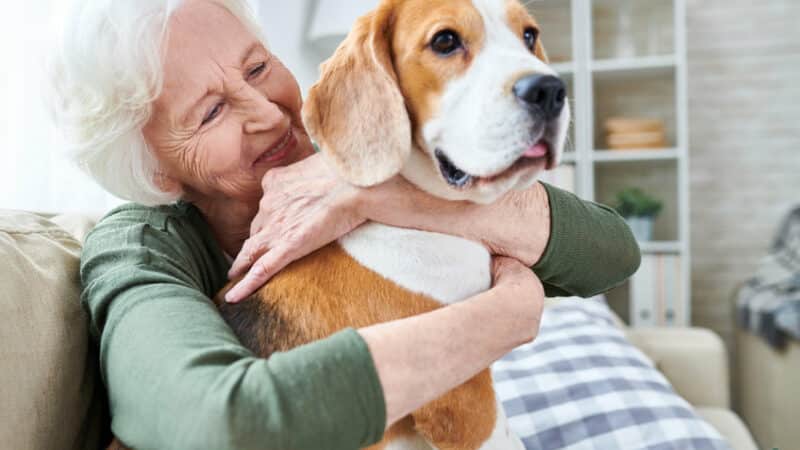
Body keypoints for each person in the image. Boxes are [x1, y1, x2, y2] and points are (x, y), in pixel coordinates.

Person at [49, 0, 640, 448]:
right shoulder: (137, 248)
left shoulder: (359, 152)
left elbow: (612, 254)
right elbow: (215, 422)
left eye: (256, 69)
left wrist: (375, 196)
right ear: (157, 173)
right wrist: (502, 317)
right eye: (211, 112)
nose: (265, 113)